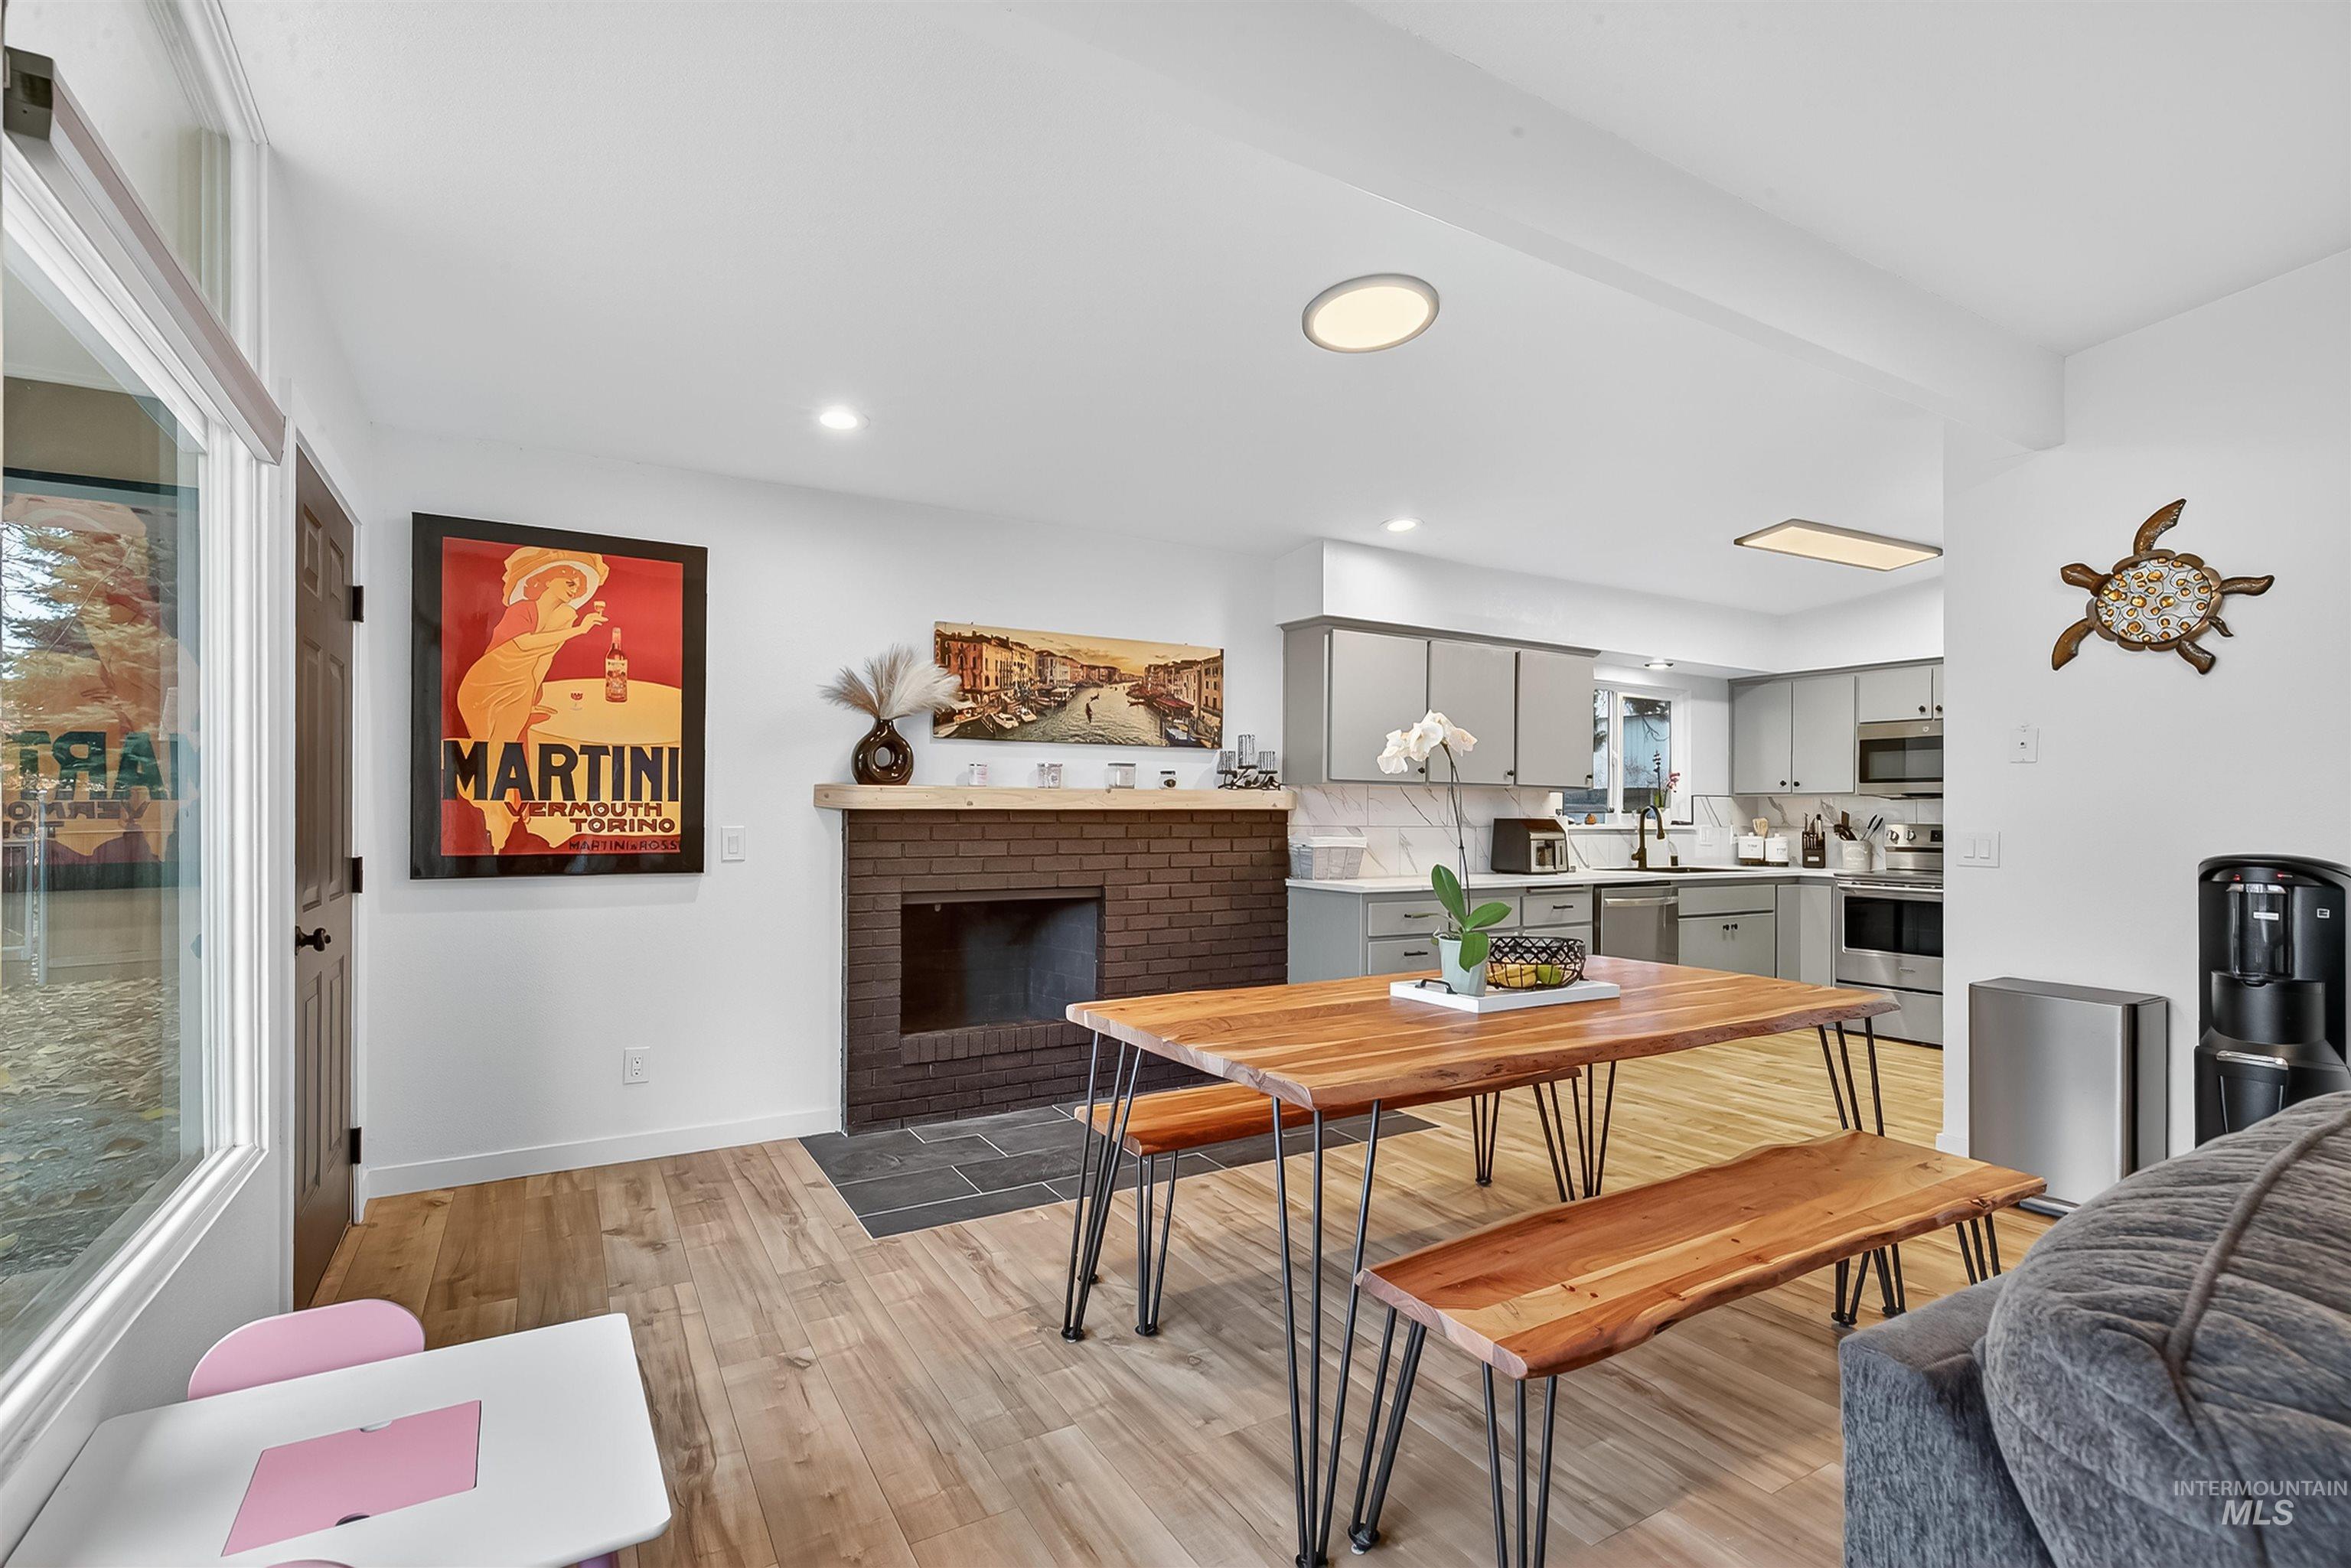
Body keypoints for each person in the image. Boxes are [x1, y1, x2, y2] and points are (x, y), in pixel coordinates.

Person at [453, 547, 608, 849]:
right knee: (495, 753)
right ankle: (492, 826)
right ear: (545, 580)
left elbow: (542, 660)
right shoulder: (522, 609)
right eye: (567, 576)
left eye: (578, 579)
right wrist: (578, 632)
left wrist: (530, 696)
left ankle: (508, 825)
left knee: (512, 752)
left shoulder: (565, 616)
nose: (574, 583)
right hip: (487, 683)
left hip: (519, 686)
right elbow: (522, 645)